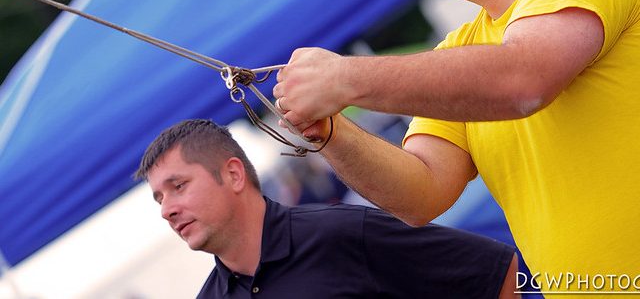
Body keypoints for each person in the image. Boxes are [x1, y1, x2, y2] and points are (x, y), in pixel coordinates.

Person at [272, 0, 640, 293]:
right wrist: (329, 131)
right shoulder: (459, 51)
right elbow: (421, 195)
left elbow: (526, 78)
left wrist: (345, 79)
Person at [135, 118, 518, 298]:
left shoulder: (342, 234)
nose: (167, 209)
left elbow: (494, 274)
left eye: (178, 186)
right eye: (159, 198)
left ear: (233, 174)